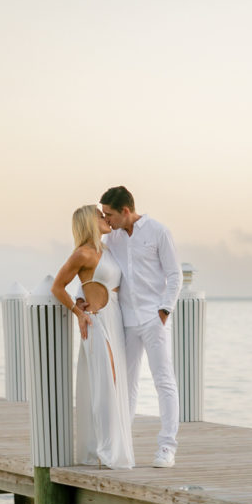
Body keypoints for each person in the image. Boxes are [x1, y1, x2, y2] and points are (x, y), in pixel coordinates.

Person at [96, 186, 182, 468]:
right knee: (127, 384)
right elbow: (97, 269)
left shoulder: (158, 231)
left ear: (125, 211)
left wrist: (164, 310)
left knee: (163, 381)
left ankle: (167, 448)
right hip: (126, 320)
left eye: (109, 214)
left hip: (153, 318)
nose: (107, 220)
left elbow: (174, 274)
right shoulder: (114, 239)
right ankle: (123, 445)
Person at [51, 205, 134, 469]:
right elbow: (56, 286)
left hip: (115, 318)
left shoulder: (106, 249)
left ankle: (107, 449)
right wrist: (78, 312)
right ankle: (105, 452)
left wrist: (79, 295)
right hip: (97, 323)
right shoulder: (82, 254)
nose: (106, 219)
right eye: (101, 216)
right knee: (104, 384)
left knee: (115, 382)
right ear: (90, 222)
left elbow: (90, 283)